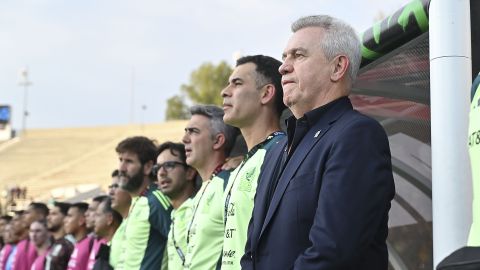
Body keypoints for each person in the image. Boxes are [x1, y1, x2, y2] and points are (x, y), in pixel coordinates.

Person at [241, 15, 395, 269]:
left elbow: (332, 253)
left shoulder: (357, 135)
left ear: (337, 67)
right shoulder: (276, 150)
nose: (283, 67)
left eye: (298, 55)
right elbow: (252, 252)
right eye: (285, 56)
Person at [220, 55, 286, 269]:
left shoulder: (281, 152)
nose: (225, 91)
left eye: (237, 83)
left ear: (266, 93)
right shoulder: (243, 163)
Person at [182, 104, 237, 269]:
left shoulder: (231, 181)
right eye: (186, 131)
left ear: (218, 140)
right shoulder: (204, 189)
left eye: (193, 131)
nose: (184, 139)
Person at [115, 136, 172, 270]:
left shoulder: (156, 200)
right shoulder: (138, 200)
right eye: (120, 160)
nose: (121, 168)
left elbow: (180, 243)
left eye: (129, 161)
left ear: (147, 167)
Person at [155, 142, 197, 269]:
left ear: (190, 172)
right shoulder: (174, 214)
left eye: (169, 165)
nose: (161, 173)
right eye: (157, 168)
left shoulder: (198, 209)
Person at [106, 169, 131, 269]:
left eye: (116, 186)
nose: (110, 192)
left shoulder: (141, 221)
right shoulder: (122, 227)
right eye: (110, 187)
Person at [91, 197, 122, 270]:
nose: (93, 220)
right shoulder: (109, 246)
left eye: (98, 215)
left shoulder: (121, 248)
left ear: (109, 219)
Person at [45, 202, 74, 270]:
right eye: (49, 214)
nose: (48, 217)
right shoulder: (54, 242)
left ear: (65, 217)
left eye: (54, 214)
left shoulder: (70, 244)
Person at [65, 202, 91, 270]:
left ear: (81, 220)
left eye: (69, 216)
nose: (65, 220)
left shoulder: (90, 244)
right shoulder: (77, 244)